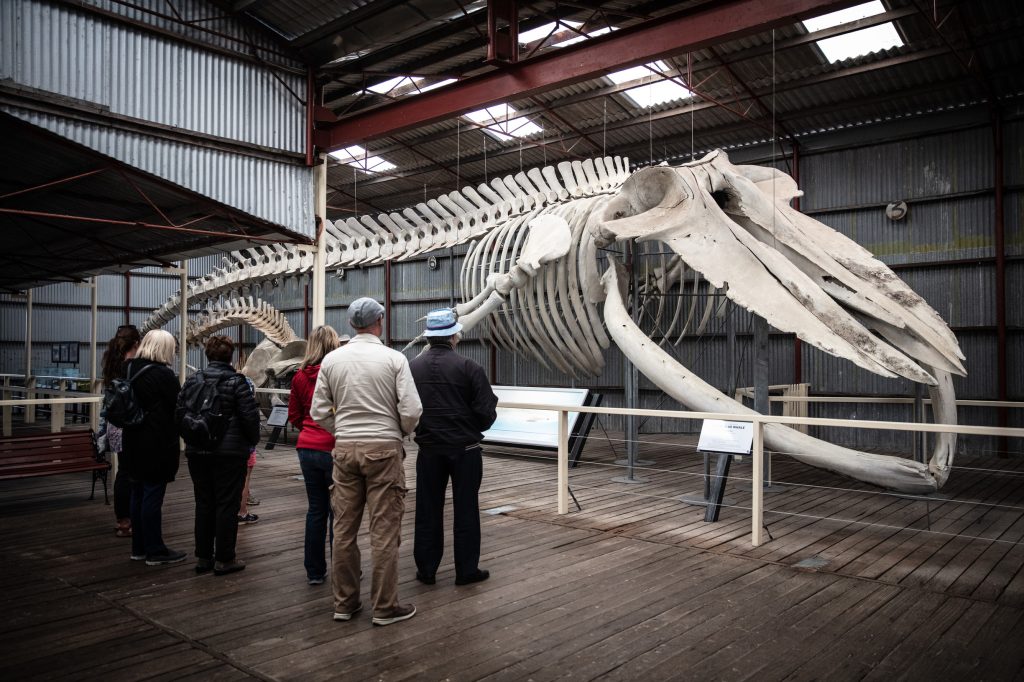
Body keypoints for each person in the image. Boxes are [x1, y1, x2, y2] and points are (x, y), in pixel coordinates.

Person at [311, 297, 423, 626]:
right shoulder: (394, 359)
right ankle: (385, 607)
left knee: (344, 530)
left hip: (344, 449)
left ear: (350, 324)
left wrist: (342, 429)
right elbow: (412, 410)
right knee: (384, 531)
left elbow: (318, 412)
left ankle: (344, 603)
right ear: (380, 322)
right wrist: (397, 432)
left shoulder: (332, 361)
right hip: (384, 450)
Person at [409, 309, 498, 587]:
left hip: (428, 449)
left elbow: (406, 407)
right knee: (467, 508)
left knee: (427, 509)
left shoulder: (412, 368)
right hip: (465, 449)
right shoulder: (470, 368)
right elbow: (487, 411)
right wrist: (469, 427)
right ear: (453, 335)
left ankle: (427, 569)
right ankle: (466, 570)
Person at [180, 335, 261, 576]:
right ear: (232, 356)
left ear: (207, 355)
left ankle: (203, 557)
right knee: (227, 503)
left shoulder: (193, 380)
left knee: (204, 502)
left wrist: (192, 439)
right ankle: (225, 558)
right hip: (229, 454)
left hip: (198, 451)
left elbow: (180, 412)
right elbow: (250, 418)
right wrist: (249, 443)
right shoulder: (238, 382)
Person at [288, 325, 347, 585]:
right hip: (332, 447)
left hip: (307, 448)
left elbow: (294, 415)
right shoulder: (337, 373)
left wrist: (309, 431)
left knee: (316, 510)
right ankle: (343, 569)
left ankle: (314, 572)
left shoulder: (299, 376)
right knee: (340, 512)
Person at [121, 329, 185, 566]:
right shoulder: (163, 375)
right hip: (156, 444)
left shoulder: (128, 368)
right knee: (152, 495)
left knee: (137, 493)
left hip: (132, 440)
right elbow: (177, 407)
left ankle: (138, 548)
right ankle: (155, 550)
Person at [100, 324, 141, 538]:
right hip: (129, 425)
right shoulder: (131, 367)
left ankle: (122, 519)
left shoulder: (111, 363)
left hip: (115, 425)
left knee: (124, 471)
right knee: (130, 472)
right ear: (136, 343)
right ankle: (128, 520)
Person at [237, 375, 259, 527]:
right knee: (244, 480)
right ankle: (242, 512)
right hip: (246, 447)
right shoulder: (250, 410)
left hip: (226, 446)